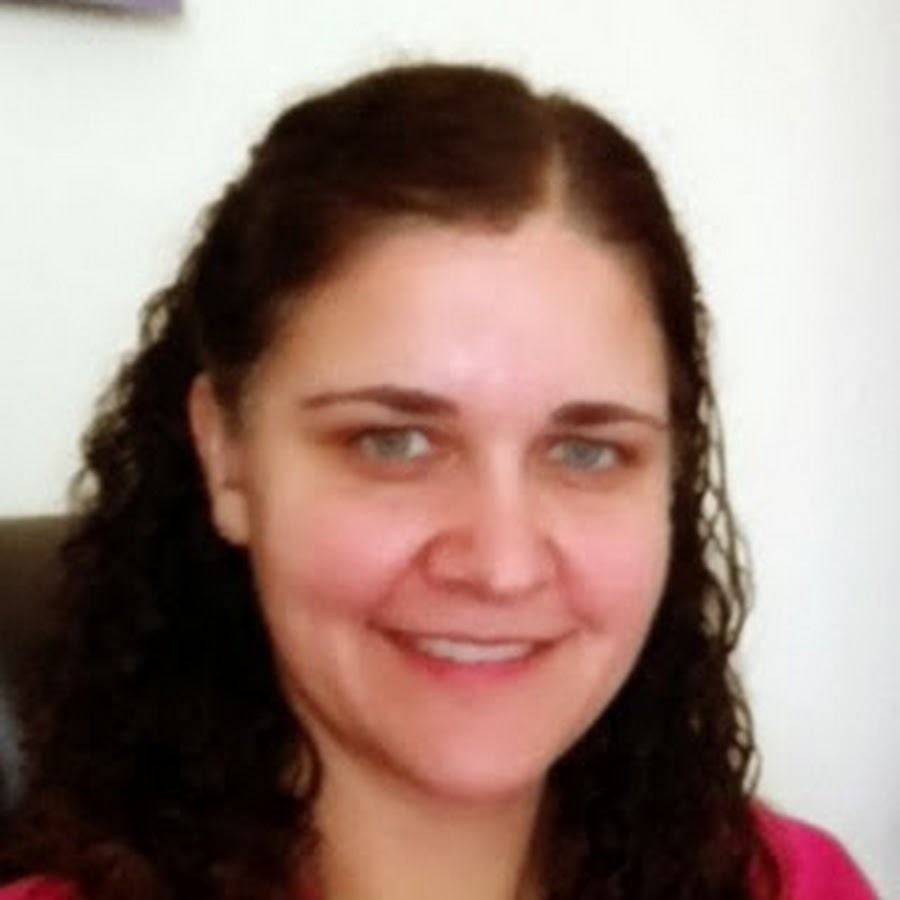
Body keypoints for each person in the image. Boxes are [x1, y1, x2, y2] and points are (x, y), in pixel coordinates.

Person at [0, 63, 877, 900]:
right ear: (226, 457)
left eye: (586, 452)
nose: (502, 566)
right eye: (394, 443)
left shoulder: (793, 885)